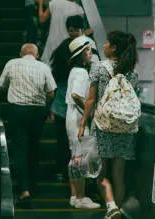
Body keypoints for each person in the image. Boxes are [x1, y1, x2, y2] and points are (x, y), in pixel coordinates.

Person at [79, 31, 139, 219]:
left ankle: (111, 206)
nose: (103, 45)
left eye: (106, 43)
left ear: (113, 47)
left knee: (102, 172)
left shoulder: (98, 67)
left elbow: (90, 99)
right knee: (119, 174)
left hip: (103, 126)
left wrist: (82, 123)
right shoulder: (132, 72)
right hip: (126, 128)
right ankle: (118, 211)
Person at [0, 43, 56, 207]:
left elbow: (1, 86)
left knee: (20, 147)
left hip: (17, 110)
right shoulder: (43, 67)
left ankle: (24, 189)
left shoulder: (11, 63)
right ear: (37, 55)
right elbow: (51, 93)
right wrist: (45, 106)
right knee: (34, 144)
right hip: (38, 111)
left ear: (20, 54)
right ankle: (32, 183)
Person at [50, 15, 95, 183]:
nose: (73, 33)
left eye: (74, 30)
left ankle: (63, 172)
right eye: (71, 30)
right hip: (75, 106)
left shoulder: (63, 48)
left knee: (64, 140)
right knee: (77, 144)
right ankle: (78, 178)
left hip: (62, 105)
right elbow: (77, 94)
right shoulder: (82, 63)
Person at [65, 36, 101, 209]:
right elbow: (76, 95)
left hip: (72, 118)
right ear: (79, 55)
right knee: (80, 159)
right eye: (86, 51)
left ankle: (74, 196)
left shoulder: (75, 70)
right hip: (78, 120)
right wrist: (89, 110)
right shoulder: (81, 73)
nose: (90, 53)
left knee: (74, 158)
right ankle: (81, 198)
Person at [34, 0, 84, 64]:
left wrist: (40, 3)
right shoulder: (79, 10)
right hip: (69, 45)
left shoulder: (55, 3)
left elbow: (42, 19)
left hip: (53, 42)